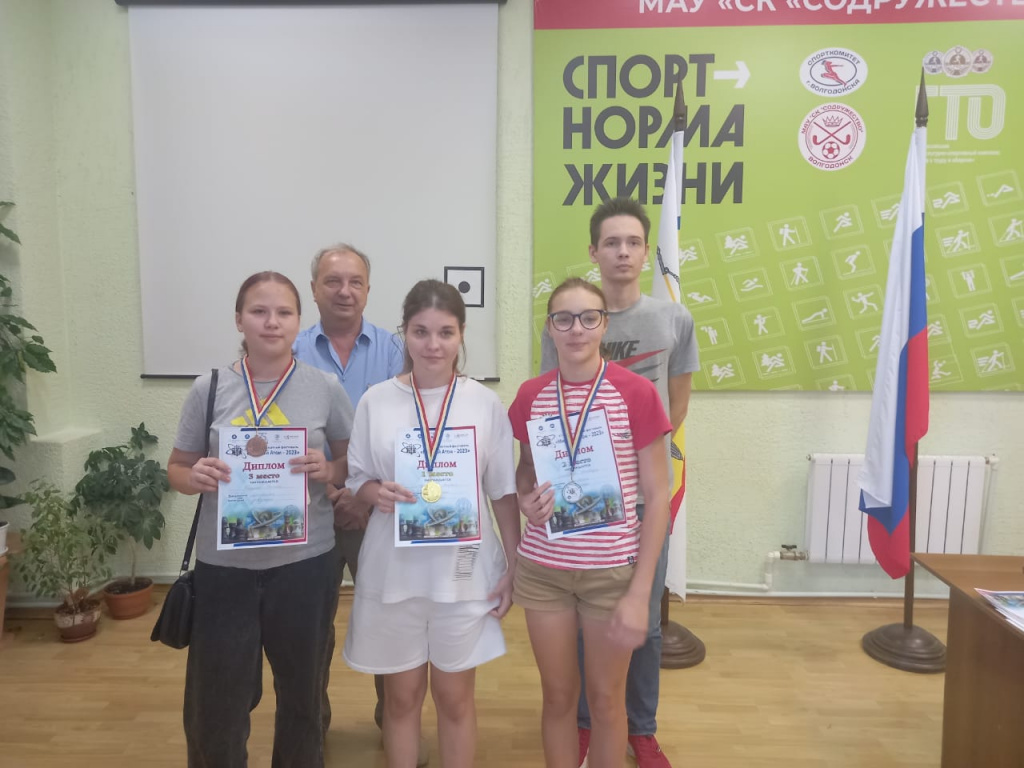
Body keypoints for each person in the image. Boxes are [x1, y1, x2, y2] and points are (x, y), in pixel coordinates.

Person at [167, 271, 354, 768]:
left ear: (298, 322)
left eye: (284, 312)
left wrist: (329, 470)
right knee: (217, 703)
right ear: (239, 320)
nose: (272, 322)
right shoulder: (208, 389)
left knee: (302, 697)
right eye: (259, 311)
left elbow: (351, 462)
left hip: (305, 566)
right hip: (224, 569)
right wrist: (195, 476)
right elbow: (177, 468)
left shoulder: (324, 388)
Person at [540, 198, 699, 768]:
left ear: (646, 250)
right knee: (588, 617)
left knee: (644, 617)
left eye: (633, 242)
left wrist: (633, 468)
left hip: (644, 493)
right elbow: (552, 403)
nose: (623, 253)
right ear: (594, 251)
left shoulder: (673, 319)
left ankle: (642, 729)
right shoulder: (568, 318)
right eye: (612, 242)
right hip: (582, 494)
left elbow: (676, 404)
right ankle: (588, 723)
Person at [342, 279, 521, 768]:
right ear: (405, 333)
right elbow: (357, 478)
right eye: (421, 332)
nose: (433, 345)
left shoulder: (483, 403)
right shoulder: (376, 401)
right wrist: (376, 492)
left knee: (455, 700)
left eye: (445, 332)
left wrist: (513, 566)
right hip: (394, 573)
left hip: (463, 575)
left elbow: (502, 492)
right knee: (401, 701)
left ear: (461, 334)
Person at [512, 276, 672, 768]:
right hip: (544, 572)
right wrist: (526, 498)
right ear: (550, 328)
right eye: (563, 319)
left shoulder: (637, 393)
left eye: (588, 318)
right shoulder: (532, 395)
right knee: (558, 697)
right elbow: (525, 470)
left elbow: (657, 497)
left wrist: (640, 594)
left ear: (604, 325)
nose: (576, 329)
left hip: (610, 574)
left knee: (605, 702)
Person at [292, 243, 410, 755]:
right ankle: (309, 729)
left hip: (379, 511)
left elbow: (412, 431)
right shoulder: (291, 351)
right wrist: (334, 490)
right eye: (333, 281)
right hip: (309, 515)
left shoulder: (395, 351)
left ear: (367, 289)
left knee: (390, 621)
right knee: (309, 631)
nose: (344, 291)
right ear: (314, 289)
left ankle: (396, 724)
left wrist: (361, 495)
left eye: (355, 281)